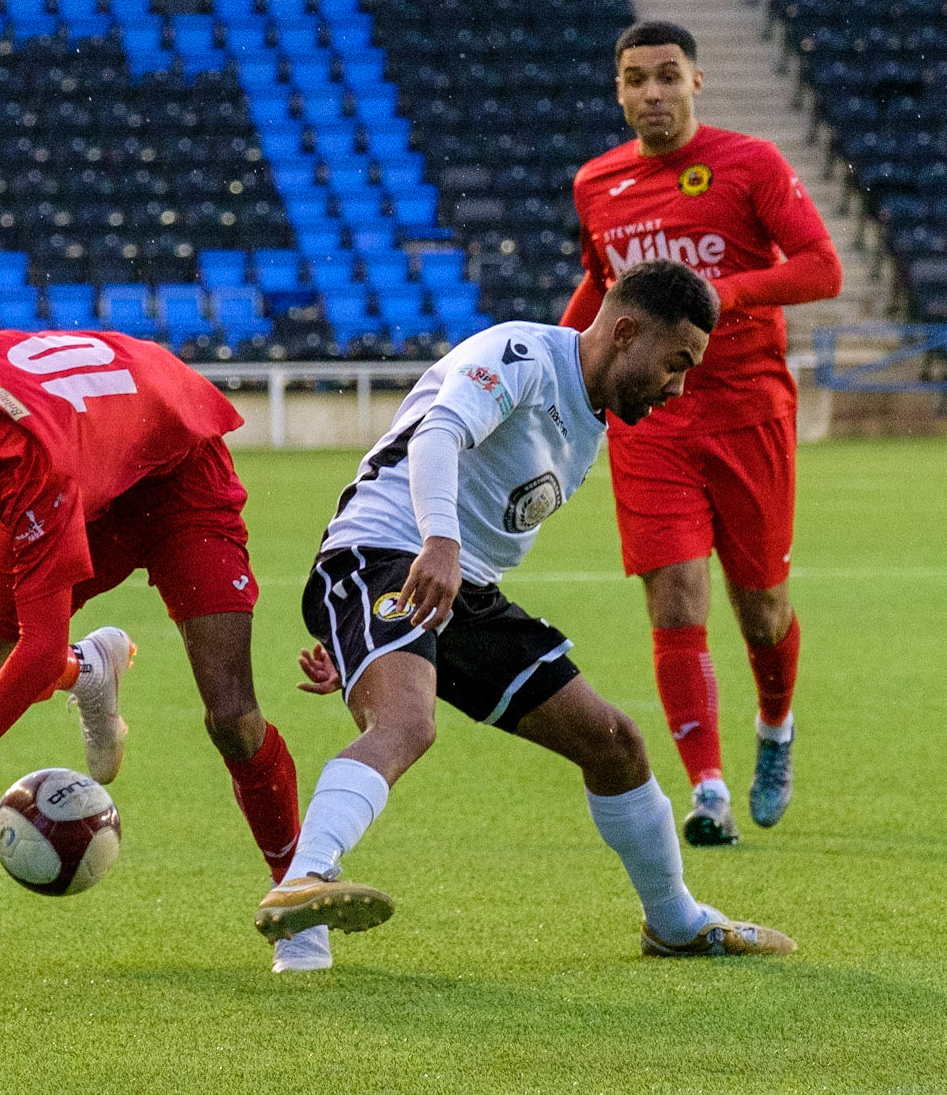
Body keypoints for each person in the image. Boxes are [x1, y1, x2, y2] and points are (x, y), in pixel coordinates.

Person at [252, 259, 796, 964]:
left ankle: (674, 918)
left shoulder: (588, 421)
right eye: (675, 362)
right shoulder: (522, 356)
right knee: (408, 723)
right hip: (385, 552)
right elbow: (437, 433)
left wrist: (362, 640)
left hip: (458, 588)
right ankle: (304, 889)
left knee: (614, 742)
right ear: (625, 331)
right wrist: (437, 544)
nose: (680, 385)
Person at [0, 328, 331, 972]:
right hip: (81, 457)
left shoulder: (38, 474)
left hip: (176, 475)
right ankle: (92, 670)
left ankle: (300, 902)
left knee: (232, 717)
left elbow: (34, 650)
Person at [558, 20, 844, 846]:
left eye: (668, 76)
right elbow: (601, 284)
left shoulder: (750, 163)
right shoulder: (598, 183)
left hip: (748, 411)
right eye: (636, 79)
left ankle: (775, 726)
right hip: (651, 420)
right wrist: (551, 355)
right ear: (617, 89)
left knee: (762, 608)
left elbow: (822, 268)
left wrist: (717, 295)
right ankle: (708, 788)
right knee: (674, 594)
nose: (653, 93)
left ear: (696, 82)